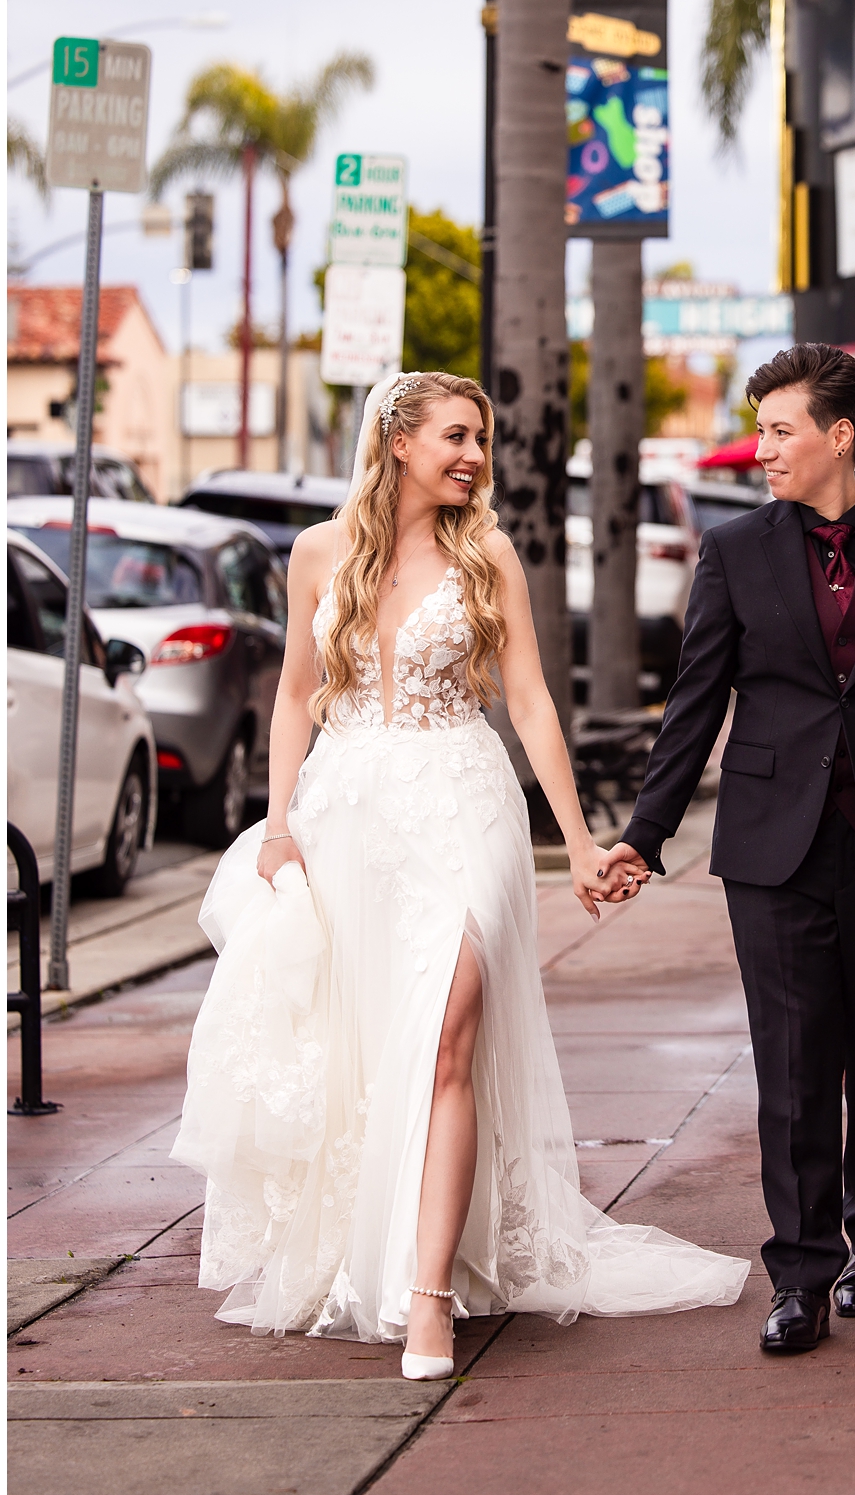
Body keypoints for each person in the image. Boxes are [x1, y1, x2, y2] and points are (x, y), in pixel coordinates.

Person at [172, 372, 748, 1379]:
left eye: (480, 436)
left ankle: (429, 1293)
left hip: (464, 802)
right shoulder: (317, 553)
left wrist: (573, 837)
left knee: (447, 1028)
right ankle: (375, 1242)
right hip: (347, 809)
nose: (475, 455)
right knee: (369, 1039)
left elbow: (527, 701)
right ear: (397, 440)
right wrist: (275, 828)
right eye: (455, 435)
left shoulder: (485, 551)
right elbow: (295, 701)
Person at [604, 345, 855, 1356]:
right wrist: (644, 834)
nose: (762, 448)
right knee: (791, 1062)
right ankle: (800, 1272)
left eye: (779, 430)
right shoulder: (734, 550)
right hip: (769, 845)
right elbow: (694, 703)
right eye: (760, 429)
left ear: (838, 435)